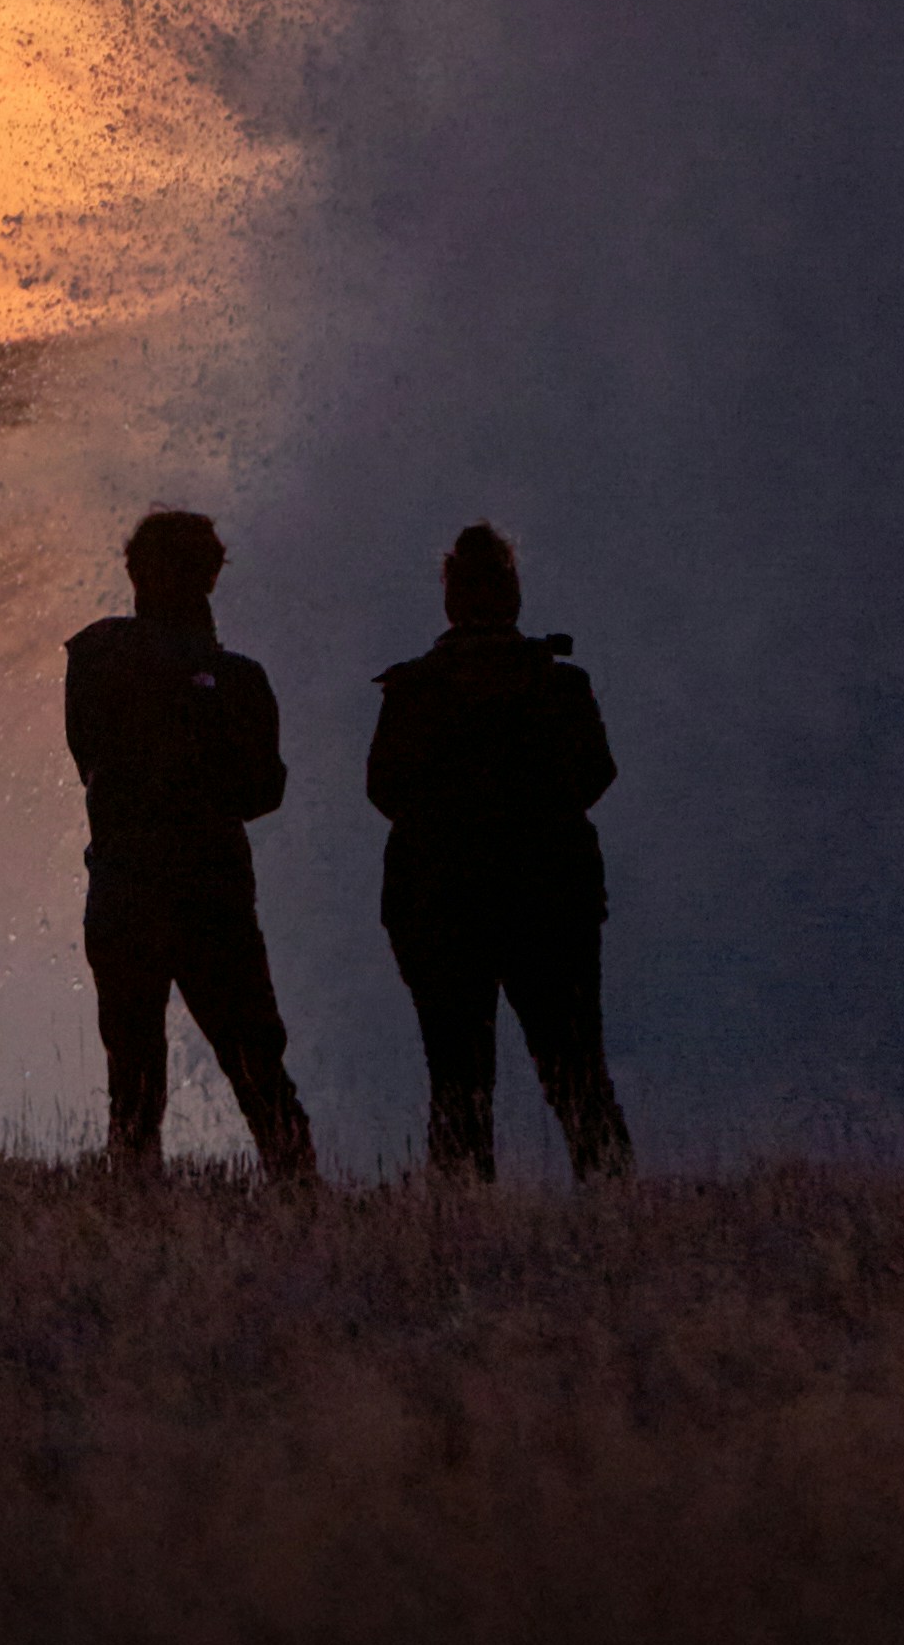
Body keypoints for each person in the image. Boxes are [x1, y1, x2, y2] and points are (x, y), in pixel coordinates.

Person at [364, 524, 630, 1184]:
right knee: (576, 1072)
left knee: (457, 1080)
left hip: (438, 903)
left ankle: (460, 1225)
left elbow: (384, 788)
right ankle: (616, 1210)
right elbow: (595, 773)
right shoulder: (560, 684)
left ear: (451, 599)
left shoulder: (413, 689)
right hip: (551, 899)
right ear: (511, 594)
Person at [61, 506, 318, 1181]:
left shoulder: (96, 658)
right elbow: (263, 790)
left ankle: (136, 1202)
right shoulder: (238, 680)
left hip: (129, 888)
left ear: (135, 573)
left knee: (136, 1079)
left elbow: (90, 758)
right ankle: (299, 1197)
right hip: (211, 891)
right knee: (258, 1065)